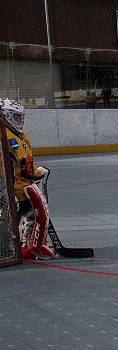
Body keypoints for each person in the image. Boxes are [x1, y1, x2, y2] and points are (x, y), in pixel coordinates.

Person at [1, 98, 52, 259]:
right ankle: (7, 247)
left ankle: (26, 244)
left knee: (31, 216)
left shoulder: (21, 135)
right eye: (16, 116)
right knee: (8, 221)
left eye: (21, 116)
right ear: (6, 115)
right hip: (12, 191)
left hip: (25, 188)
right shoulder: (3, 136)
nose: (20, 120)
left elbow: (25, 161)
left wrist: (35, 171)